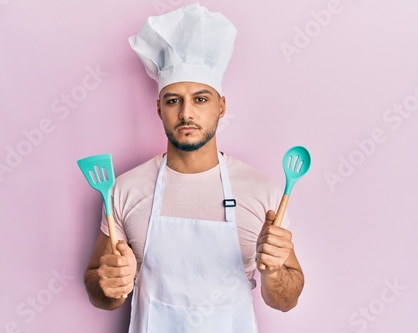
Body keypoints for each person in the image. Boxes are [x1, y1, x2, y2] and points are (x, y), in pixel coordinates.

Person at [84, 4, 304, 332]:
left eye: (201, 99)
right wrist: (108, 285)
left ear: (221, 107)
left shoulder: (264, 192)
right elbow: (99, 290)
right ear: (159, 108)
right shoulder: (124, 190)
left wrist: (274, 273)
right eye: (174, 100)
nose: (187, 113)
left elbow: (285, 300)